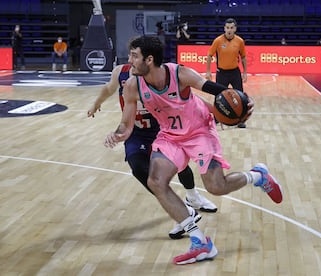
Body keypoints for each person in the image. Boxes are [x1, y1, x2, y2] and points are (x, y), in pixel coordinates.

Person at [104, 35, 283, 265]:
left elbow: (216, 90)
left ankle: (258, 176)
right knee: (156, 181)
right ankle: (200, 242)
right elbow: (126, 125)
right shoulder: (131, 85)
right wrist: (117, 134)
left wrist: (245, 100)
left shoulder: (179, 74)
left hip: (199, 130)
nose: (129, 60)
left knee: (216, 187)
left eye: (134, 56)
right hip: (170, 135)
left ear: (149, 59)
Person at [88, 62, 218, 239]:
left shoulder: (158, 76)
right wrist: (96, 103)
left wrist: (214, 111)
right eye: (131, 55)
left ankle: (193, 196)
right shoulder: (121, 73)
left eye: (136, 55)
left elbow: (188, 97)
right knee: (138, 167)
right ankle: (185, 211)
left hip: (161, 127)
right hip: (136, 131)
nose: (133, 60)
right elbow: (109, 88)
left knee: (179, 165)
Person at [206, 18, 248, 128]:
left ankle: (241, 120)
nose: (229, 30)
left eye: (231, 28)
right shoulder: (218, 41)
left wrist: (245, 73)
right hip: (222, 73)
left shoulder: (239, 41)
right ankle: (217, 118)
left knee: (240, 97)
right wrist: (208, 71)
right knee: (219, 96)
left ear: (235, 29)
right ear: (224, 28)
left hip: (235, 72)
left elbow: (243, 57)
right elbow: (209, 55)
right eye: (227, 28)